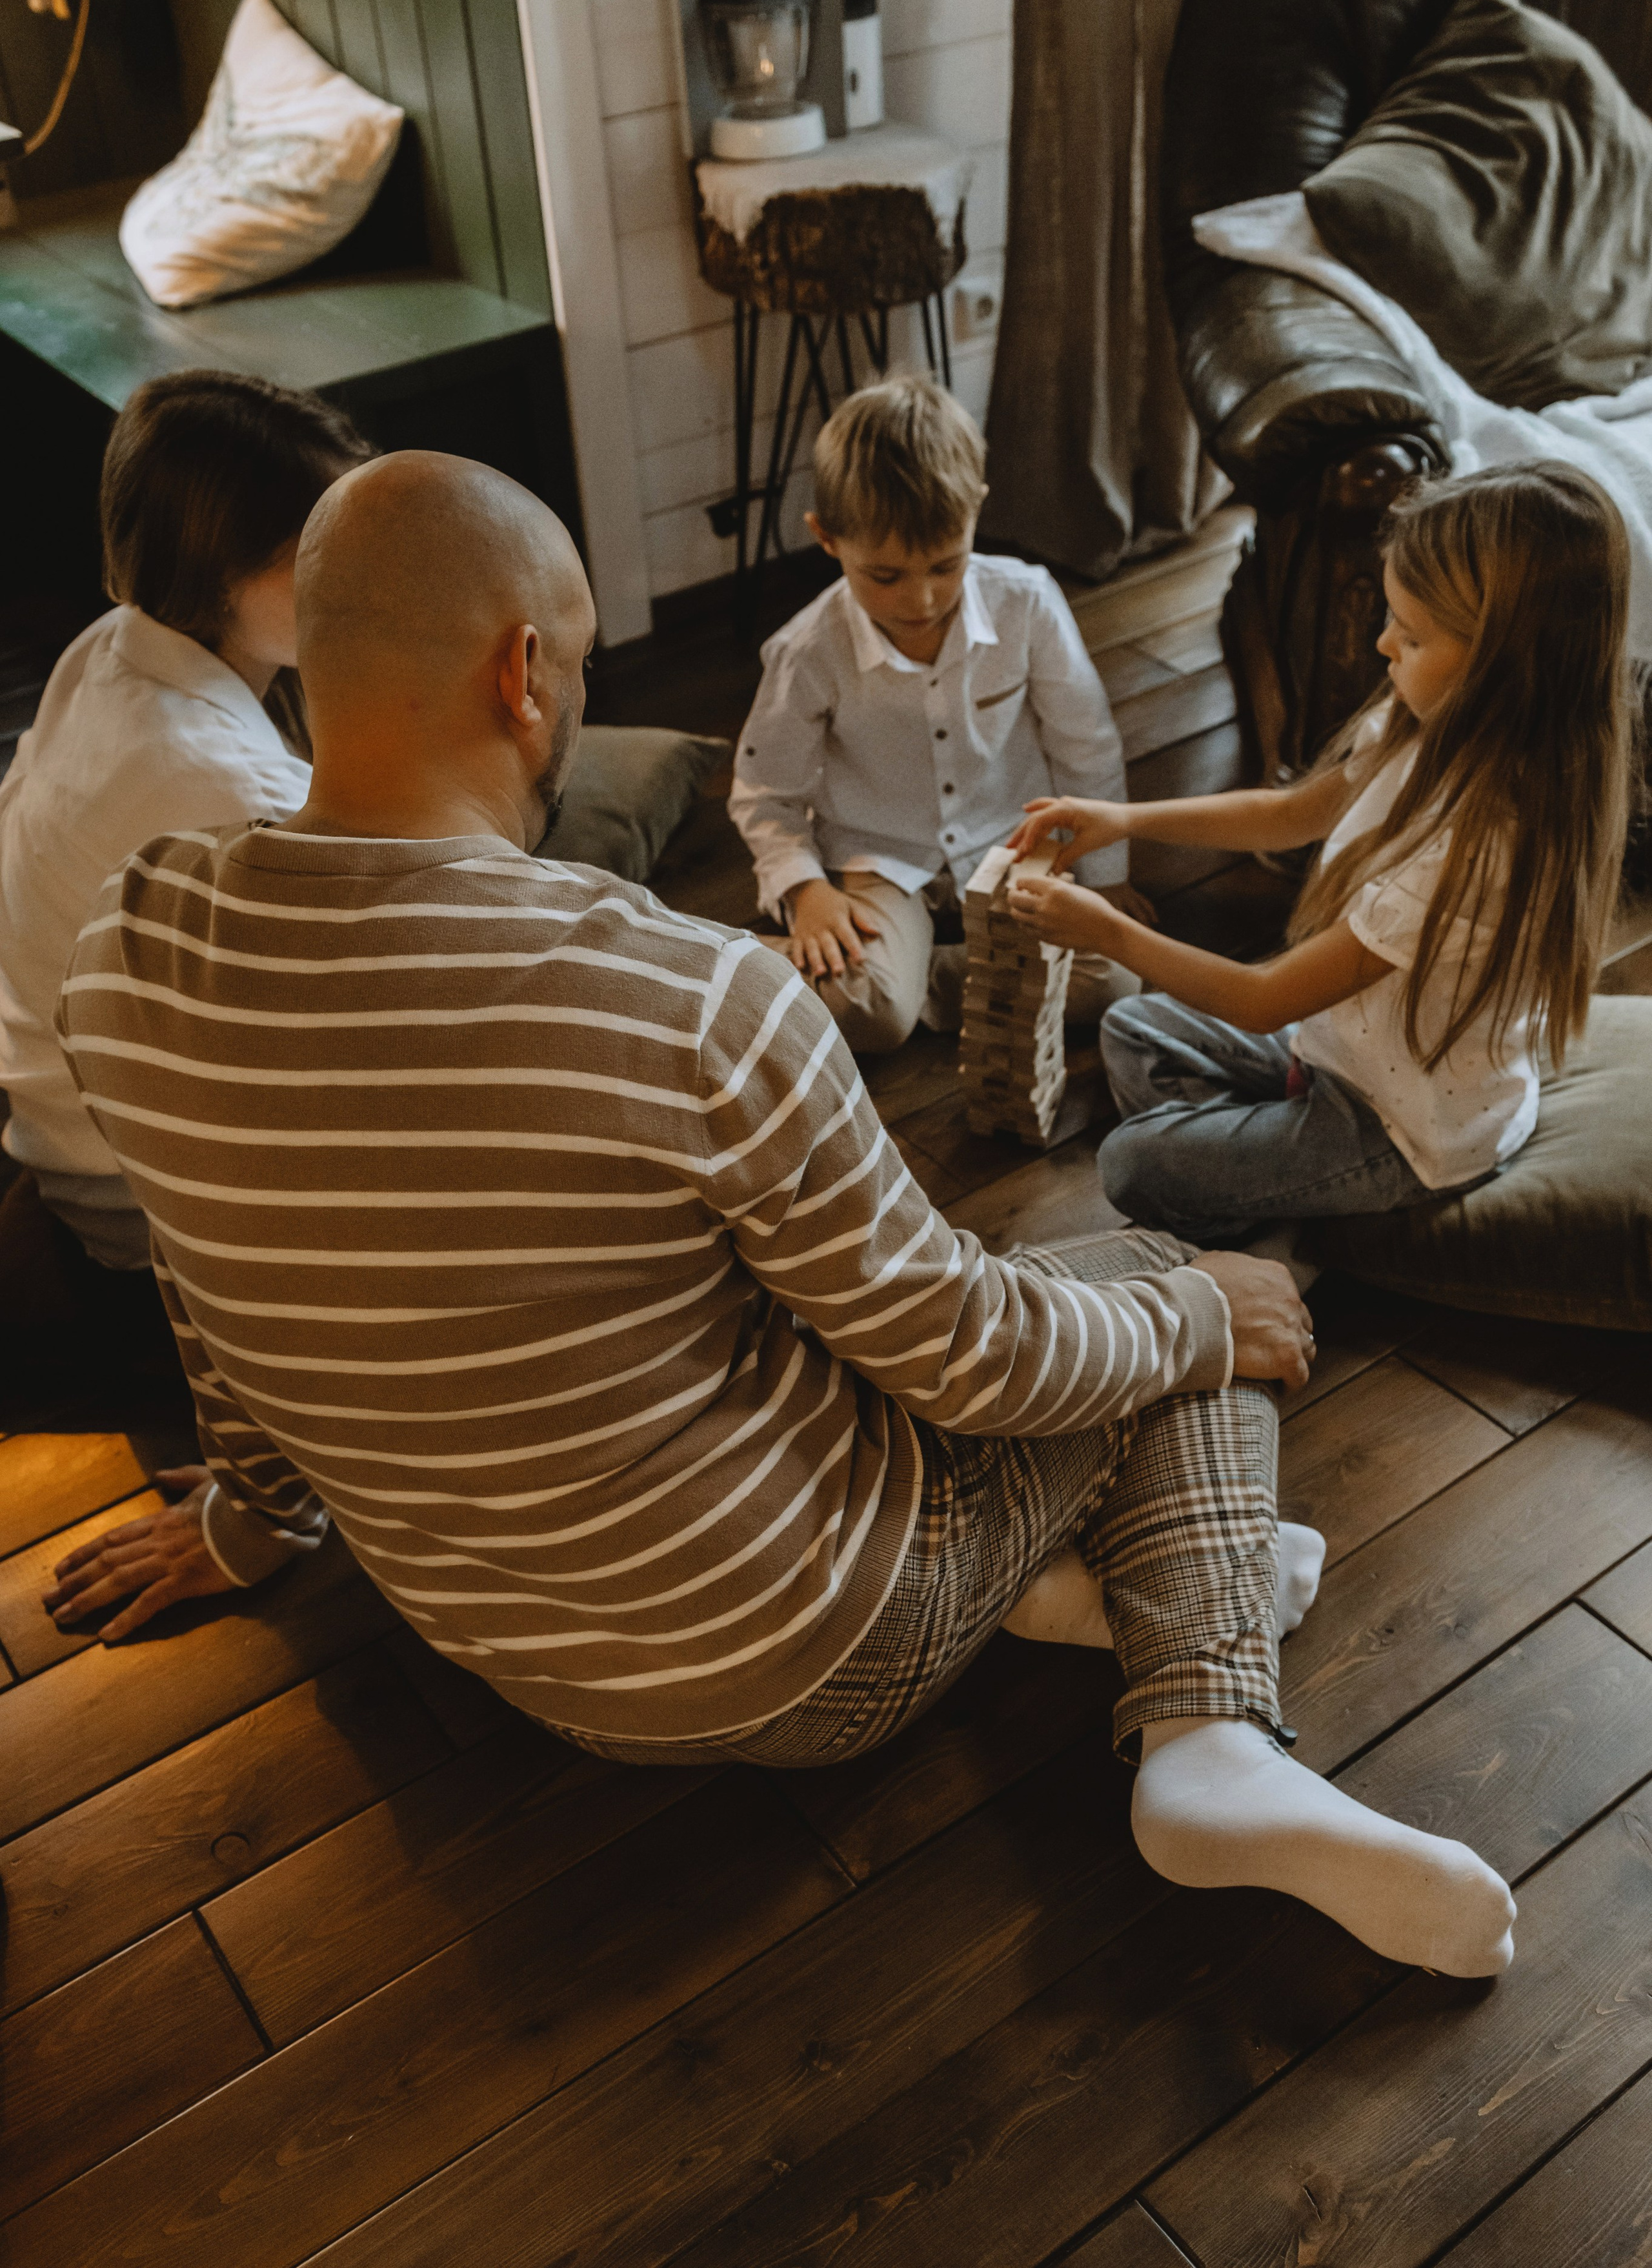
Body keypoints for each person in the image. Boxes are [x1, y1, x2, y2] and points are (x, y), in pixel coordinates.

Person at [46, 451, 1516, 1977]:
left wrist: (250, 1515)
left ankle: (1091, 1588)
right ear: (524, 672)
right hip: (807, 1653)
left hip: (515, 1657)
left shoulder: (129, 946)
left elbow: (212, 1283)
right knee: (1160, 1276)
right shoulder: (695, 996)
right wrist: (1204, 1306)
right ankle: (1210, 1741)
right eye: (589, 653)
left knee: (858, 1315)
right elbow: (966, 1353)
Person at [1006, 464, 1631, 1247]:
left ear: (1502, 666)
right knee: (1133, 1026)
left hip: (1400, 1130)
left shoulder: (1475, 853)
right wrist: (1122, 818)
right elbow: (1287, 814)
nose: (1380, 644)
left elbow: (1265, 999)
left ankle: (1294, 1229)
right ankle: (1269, 1176)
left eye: (1410, 634)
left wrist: (1106, 931)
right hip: (1339, 1051)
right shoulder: (1420, 725)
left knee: (1131, 1164)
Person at [0, 369, 371, 1338]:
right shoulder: (218, 781)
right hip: (134, 1197)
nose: (360, 572)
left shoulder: (109, 646)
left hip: (58, 1112)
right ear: (216, 568)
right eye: (316, 553)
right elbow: (369, 999)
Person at [728, 372, 1145, 1053]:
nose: (920, 599)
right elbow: (766, 796)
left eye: (945, 566)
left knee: (1115, 980)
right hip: (881, 859)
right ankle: (875, 977)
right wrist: (805, 893)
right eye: (885, 575)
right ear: (826, 538)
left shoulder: (1028, 603)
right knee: (875, 1017)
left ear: (976, 511)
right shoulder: (805, 652)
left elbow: (1085, 744)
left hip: (1009, 845)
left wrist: (1109, 875)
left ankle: (911, 976)